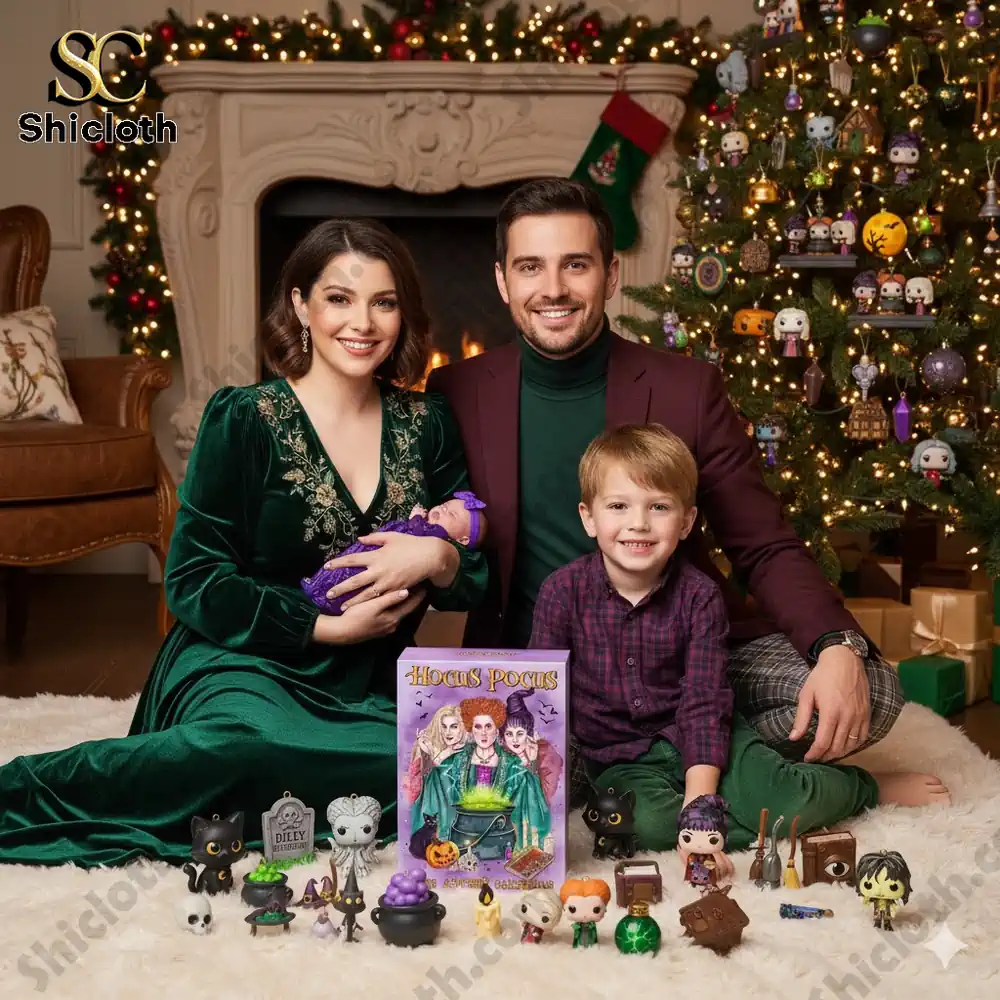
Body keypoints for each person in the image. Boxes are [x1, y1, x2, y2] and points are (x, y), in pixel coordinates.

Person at [0, 219, 486, 868]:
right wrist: (323, 627)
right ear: (300, 306)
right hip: (241, 659)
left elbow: (474, 574)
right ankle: (20, 794)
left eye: (384, 302)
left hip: (369, 677)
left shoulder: (427, 423)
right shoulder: (243, 418)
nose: (363, 322)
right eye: (339, 298)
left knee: (448, 767)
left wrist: (439, 555)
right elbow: (194, 580)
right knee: (241, 748)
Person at [426, 177, 908, 782]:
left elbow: (762, 543)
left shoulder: (686, 388)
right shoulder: (458, 390)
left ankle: (648, 760)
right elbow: (438, 542)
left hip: (680, 665)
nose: (553, 289)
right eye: (530, 267)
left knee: (871, 689)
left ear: (611, 275)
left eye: (575, 264)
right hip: (538, 673)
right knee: (466, 749)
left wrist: (837, 644)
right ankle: (690, 765)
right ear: (503, 281)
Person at [528, 425, 948, 858]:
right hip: (620, 755)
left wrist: (701, 802)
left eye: (659, 507)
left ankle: (863, 788)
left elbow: (704, 699)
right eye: (619, 506)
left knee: (787, 799)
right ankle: (750, 813)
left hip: (705, 734)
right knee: (647, 827)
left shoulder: (700, 596)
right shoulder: (561, 593)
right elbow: (543, 694)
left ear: (687, 522)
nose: (638, 523)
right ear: (589, 517)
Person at [302, 490, 487, 614]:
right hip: (375, 550)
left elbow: (418, 529)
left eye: (451, 514)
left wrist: (416, 516)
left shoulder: (438, 535)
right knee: (344, 569)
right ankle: (318, 588)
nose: (442, 509)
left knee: (351, 579)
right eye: (444, 505)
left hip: (384, 565)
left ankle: (322, 595)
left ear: (463, 540)